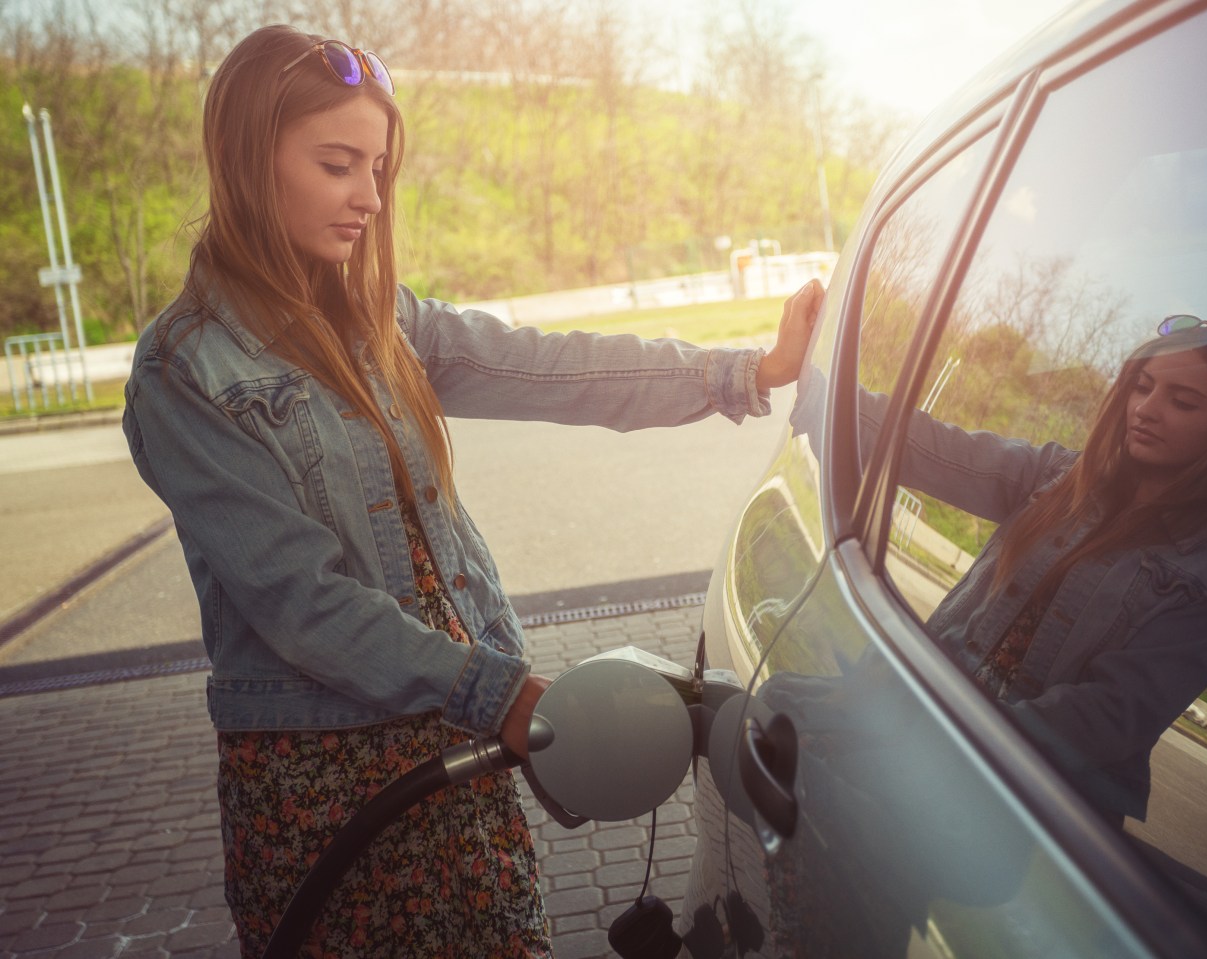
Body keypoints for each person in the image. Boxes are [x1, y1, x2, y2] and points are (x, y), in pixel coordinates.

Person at [121, 24, 821, 958]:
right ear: (250, 161)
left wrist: (750, 370)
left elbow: (551, 368)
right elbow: (303, 604)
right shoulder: (184, 371)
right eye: (338, 164)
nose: (370, 197)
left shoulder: (380, 321)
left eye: (378, 168)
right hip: (329, 783)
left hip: (457, 747)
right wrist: (500, 692)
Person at [893, 316, 1207, 823]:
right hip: (921, 723)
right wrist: (787, 376)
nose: (1145, 409)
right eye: (1141, 387)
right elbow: (931, 447)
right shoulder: (1054, 477)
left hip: (1030, 807)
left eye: (1183, 401)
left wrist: (960, 739)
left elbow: (1110, 715)